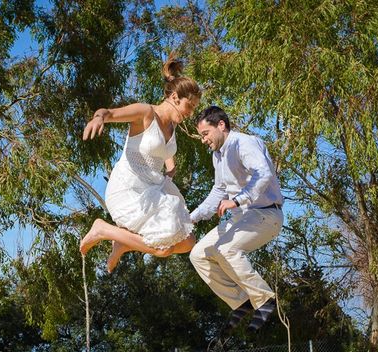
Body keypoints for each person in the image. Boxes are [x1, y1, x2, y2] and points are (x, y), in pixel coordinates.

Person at [79, 56, 201, 272]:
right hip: (128, 191)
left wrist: (170, 171)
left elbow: (164, 155)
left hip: (151, 190)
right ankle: (102, 229)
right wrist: (99, 118)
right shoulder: (146, 113)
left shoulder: (172, 128)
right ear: (174, 97)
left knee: (188, 242)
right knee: (163, 249)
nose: (190, 113)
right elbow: (109, 113)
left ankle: (124, 243)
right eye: (189, 106)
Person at [189, 106, 284, 332]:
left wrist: (239, 200)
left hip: (266, 213)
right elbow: (218, 192)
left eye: (205, 134)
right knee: (198, 254)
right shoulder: (217, 156)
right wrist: (191, 218)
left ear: (221, 125)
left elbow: (264, 173)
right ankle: (240, 301)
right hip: (241, 217)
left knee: (226, 250)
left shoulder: (244, 143)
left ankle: (265, 300)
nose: (204, 140)